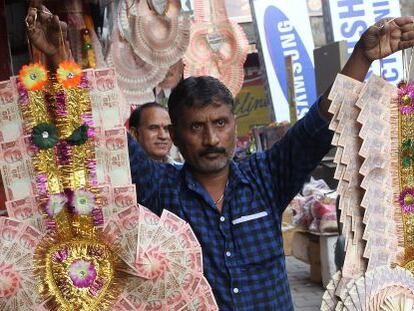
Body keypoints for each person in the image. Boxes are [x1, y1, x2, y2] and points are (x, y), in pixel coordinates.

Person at [25, 5, 414, 310]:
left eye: (220, 123)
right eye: (196, 127)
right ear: (175, 134)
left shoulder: (267, 177)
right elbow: (104, 132)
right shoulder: (160, 190)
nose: (211, 138)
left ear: (233, 124)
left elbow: (318, 124)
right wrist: (62, 55)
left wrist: (363, 56)